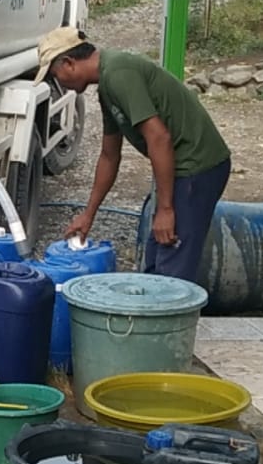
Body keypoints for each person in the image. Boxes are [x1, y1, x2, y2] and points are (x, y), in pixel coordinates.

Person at [35, 27, 232, 281]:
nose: (58, 83)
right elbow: (109, 155)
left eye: (54, 75)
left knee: (171, 270)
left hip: (198, 167)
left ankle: (169, 317)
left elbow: (159, 137)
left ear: (69, 63)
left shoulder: (118, 73)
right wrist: (88, 214)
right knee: (155, 261)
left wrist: (165, 209)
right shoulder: (107, 87)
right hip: (183, 168)